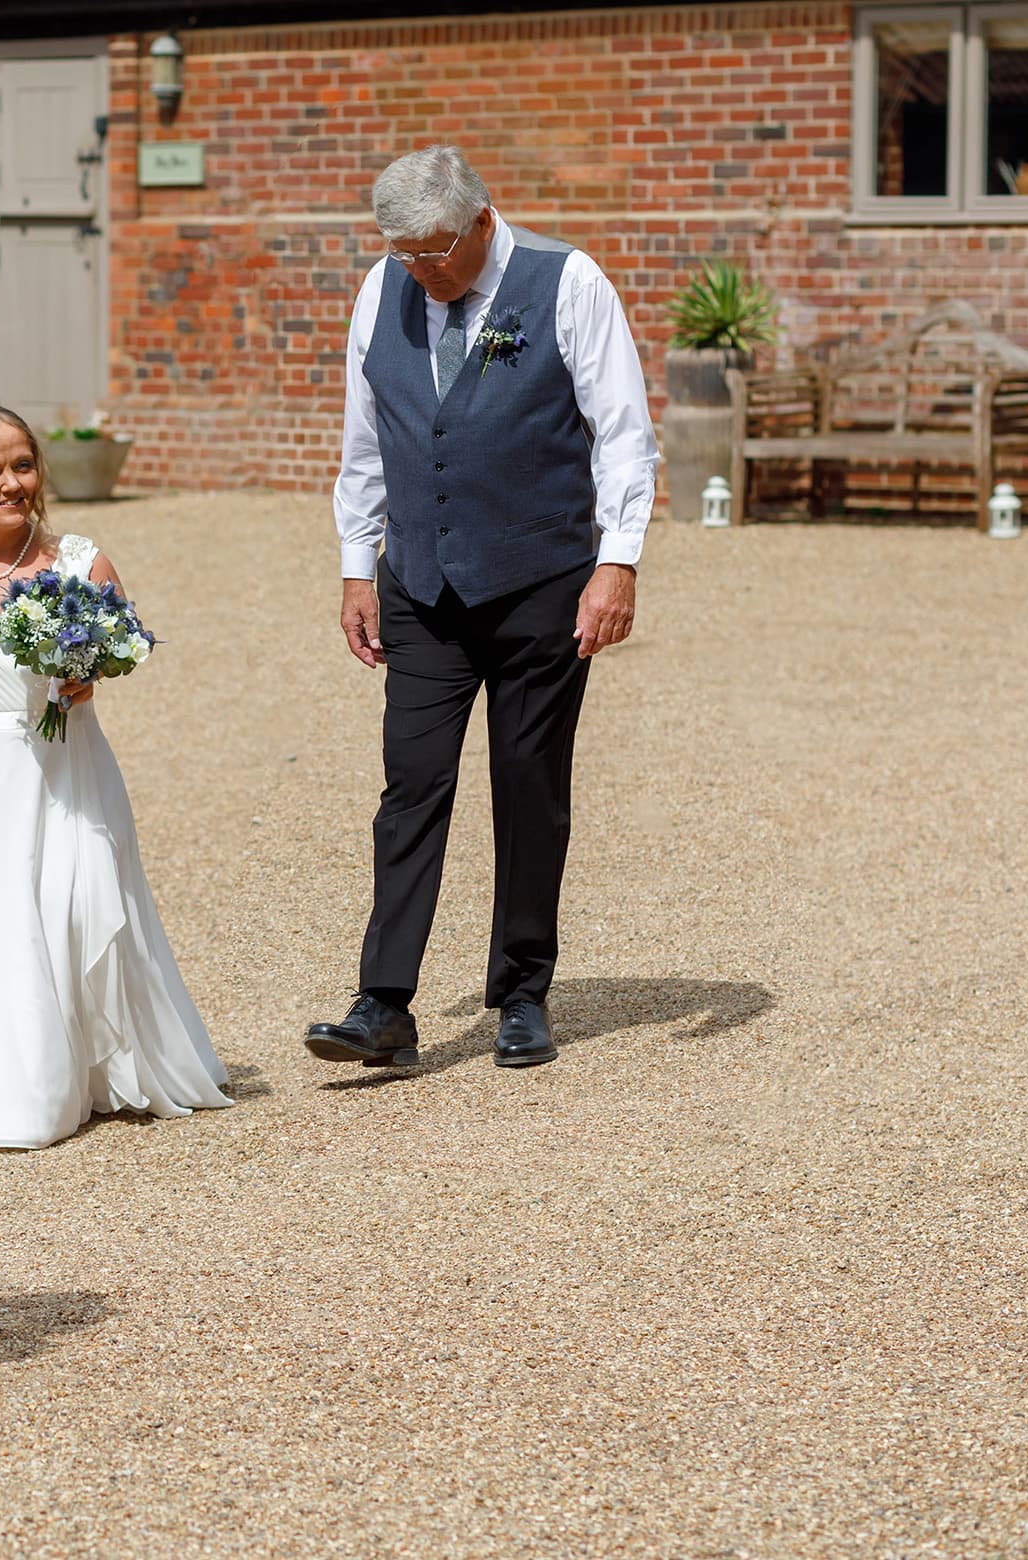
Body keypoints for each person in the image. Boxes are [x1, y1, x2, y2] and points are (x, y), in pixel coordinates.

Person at [308, 144, 658, 1072]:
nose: (418, 270)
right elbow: (365, 441)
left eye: (432, 253)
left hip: (541, 576)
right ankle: (383, 1002)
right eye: (402, 254)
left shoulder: (568, 282)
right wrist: (356, 568)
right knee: (411, 785)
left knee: (527, 783)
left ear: (481, 220)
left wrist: (616, 563)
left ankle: (522, 992)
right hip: (421, 585)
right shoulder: (381, 289)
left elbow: (624, 435)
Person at [0, 403, 230, 1150]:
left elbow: (124, 643)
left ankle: (95, 1071)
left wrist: (91, 675)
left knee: (74, 910)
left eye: (22, 465)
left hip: (67, 765)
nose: (11, 484)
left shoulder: (78, 558)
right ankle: (14, 1094)